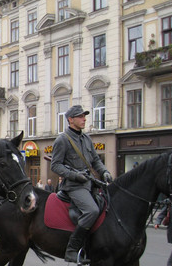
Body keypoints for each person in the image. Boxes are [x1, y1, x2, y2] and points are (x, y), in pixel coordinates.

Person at [51, 105, 112, 264]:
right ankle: (72, 250)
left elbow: (96, 161)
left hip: (90, 184)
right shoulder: (62, 140)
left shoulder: (86, 139)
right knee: (91, 211)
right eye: (80, 116)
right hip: (74, 186)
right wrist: (75, 175)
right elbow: (55, 165)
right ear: (71, 119)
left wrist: (104, 172)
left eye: (84, 116)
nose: (84, 119)